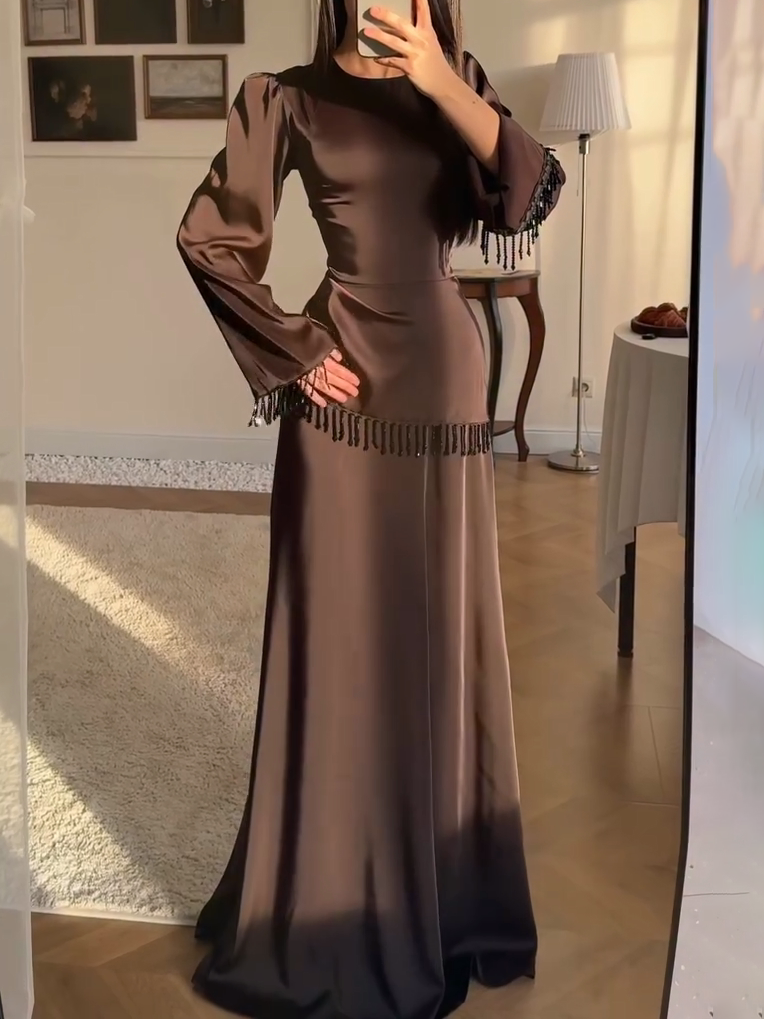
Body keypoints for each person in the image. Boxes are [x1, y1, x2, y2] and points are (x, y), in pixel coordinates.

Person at [177, 2, 565, 1017]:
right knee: (333, 632)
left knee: (439, 634)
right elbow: (209, 240)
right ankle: (322, 895)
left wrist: (439, 78)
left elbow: (529, 191)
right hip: (342, 393)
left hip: (441, 383)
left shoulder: (458, 79)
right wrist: (297, 351)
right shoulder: (286, 99)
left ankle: (447, 892)